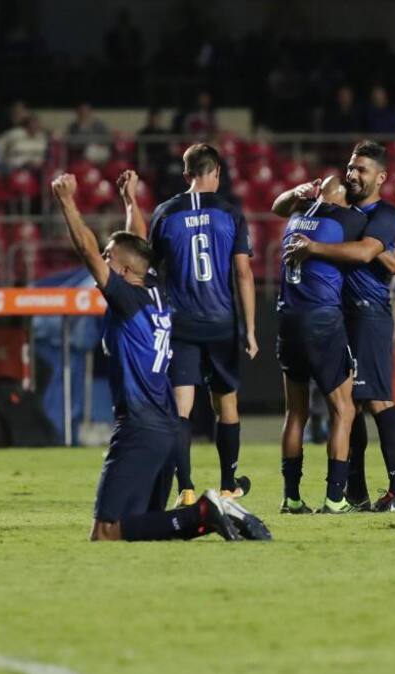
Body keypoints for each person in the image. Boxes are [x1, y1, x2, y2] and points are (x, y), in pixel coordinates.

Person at [50, 173, 268, 542]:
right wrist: (130, 201)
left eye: (109, 258)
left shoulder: (127, 299)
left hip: (139, 427)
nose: (103, 260)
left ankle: (202, 511)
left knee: (105, 531)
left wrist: (67, 201)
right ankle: (210, 514)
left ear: (123, 272)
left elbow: (88, 252)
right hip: (164, 428)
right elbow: (137, 245)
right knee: (143, 527)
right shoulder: (154, 288)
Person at [273, 140, 395, 512]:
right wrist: (298, 193)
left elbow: (375, 255)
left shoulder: (382, 215)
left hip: (366, 314)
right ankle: (355, 491)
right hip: (337, 315)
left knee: (377, 400)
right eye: (351, 167)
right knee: (350, 405)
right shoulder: (339, 212)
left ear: (380, 177)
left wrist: (315, 248)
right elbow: (280, 207)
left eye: (361, 169)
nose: (353, 174)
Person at [117, 143, 257, 507]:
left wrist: (131, 202)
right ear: (217, 172)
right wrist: (251, 328)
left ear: (186, 174)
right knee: (226, 402)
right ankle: (227, 486)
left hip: (179, 324)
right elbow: (243, 273)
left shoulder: (166, 212)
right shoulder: (230, 213)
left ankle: (187, 488)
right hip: (221, 322)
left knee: (181, 408)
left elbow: (141, 259)